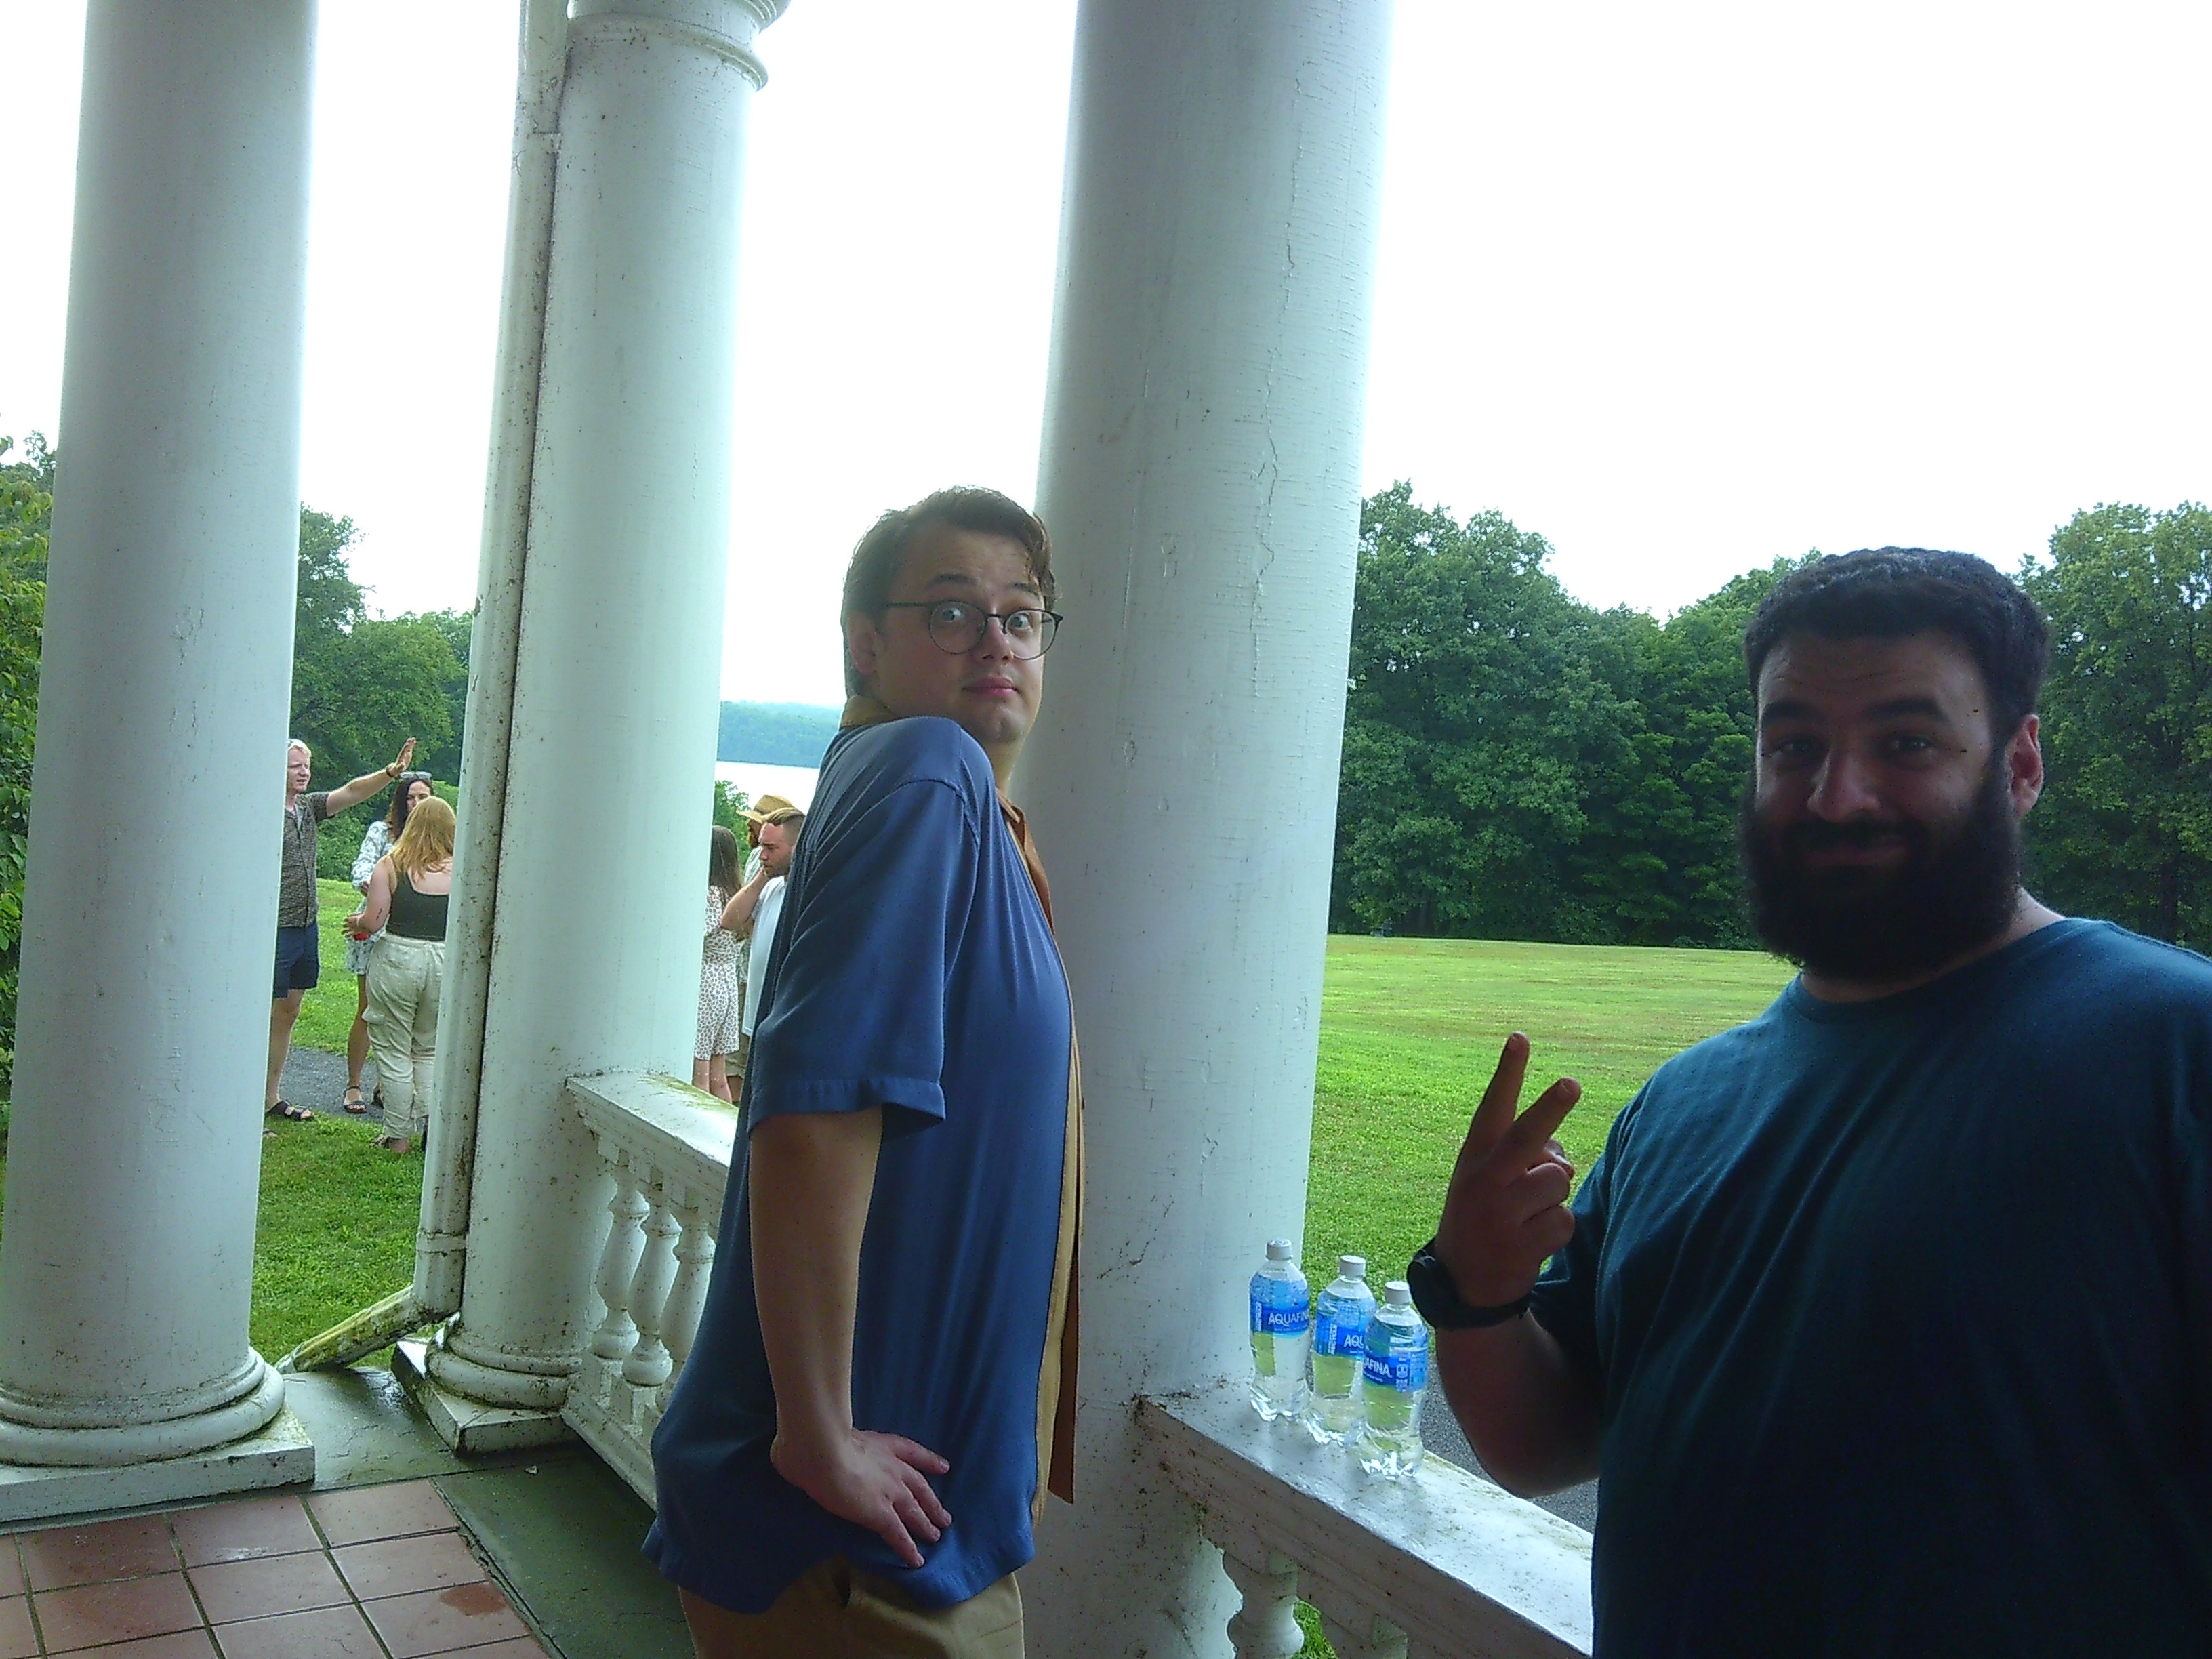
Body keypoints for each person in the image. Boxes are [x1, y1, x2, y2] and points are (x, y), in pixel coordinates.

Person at [1421, 548, 2212, 1656]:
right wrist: (1477, 1290)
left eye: (1904, 741)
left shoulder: (2174, 1050)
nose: (1834, 794)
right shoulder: (1681, 1104)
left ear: (2017, 761)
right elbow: (1541, 1441)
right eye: (1792, 744)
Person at [647, 487, 1082, 1659]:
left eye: (1021, 613)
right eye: (950, 609)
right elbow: (816, 1109)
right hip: (857, 1542)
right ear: (864, 642)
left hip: (884, 1518)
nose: (994, 637)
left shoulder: (938, 800)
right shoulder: (927, 772)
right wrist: (820, 1433)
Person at [269, 735, 416, 1123]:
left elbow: (351, 792)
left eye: (307, 765)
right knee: (262, 1014)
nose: (305, 772)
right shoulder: (261, 809)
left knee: (288, 1012)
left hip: (305, 924)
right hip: (272, 927)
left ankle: (270, 1097)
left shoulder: (307, 807)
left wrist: (389, 773)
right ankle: (248, 1100)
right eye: (295, 766)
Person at [347, 795, 455, 1155]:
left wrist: (356, 922)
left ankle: (397, 1136)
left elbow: (374, 921)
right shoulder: (464, 868)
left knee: (393, 1049)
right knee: (428, 1049)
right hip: (443, 960)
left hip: (398, 957)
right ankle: (429, 1128)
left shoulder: (391, 865)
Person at [344, 771, 434, 1113]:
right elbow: (362, 867)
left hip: (412, 933)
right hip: (375, 930)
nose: (415, 804)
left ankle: (388, 1086)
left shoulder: (435, 841)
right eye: (410, 798)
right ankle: (354, 1085)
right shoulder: (382, 833)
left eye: (422, 798)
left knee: (409, 1018)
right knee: (368, 1010)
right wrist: (377, 888)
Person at [719, 807, 802, 1098]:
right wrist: (762, 878)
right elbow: (730, 921)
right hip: (756, 1019)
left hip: (784, 1024)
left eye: (771, 848)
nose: (762, 855)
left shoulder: (806, 895)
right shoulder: (771, 888)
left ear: (798, 847)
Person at [696, 825, 745, 1103]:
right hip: (727, 982)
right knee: (719, 1075)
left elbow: (693, 936)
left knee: (699, 1075)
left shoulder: (711, 896)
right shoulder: (737, 894)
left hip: (706, 984)